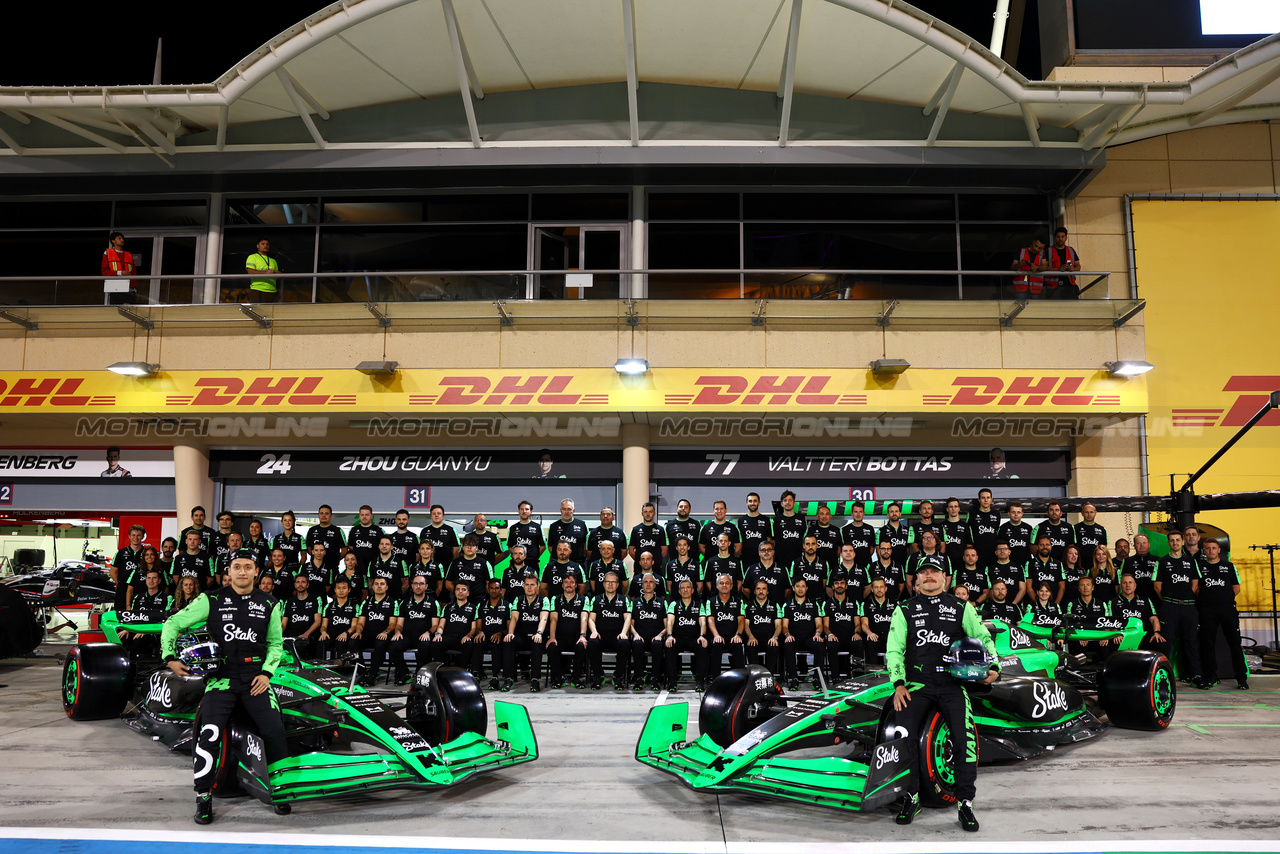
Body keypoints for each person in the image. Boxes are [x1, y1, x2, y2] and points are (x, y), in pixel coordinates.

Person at [160, 552, 288, 824]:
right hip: (221, 679)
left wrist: (267, 673)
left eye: (248, 567)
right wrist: (169, 658)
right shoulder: (211, 599)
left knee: (275, 729)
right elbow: (172, 623)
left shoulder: (270, 604)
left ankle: (281, 790)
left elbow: (276, 644)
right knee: (209, 733)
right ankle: (203, 797)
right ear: (228, 571)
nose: (242, 572)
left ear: (257, 572)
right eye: (237, 567)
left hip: (256, 679)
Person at [888, 559, 997, 831]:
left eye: (934, 572)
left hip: (952, 683)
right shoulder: (904, 609)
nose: (929, 577)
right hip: (916, 683)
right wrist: (898, 683)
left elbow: (982, 637)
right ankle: (910, 797)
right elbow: (893, 648)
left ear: (944, 578)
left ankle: (965, 803)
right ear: (916, 580)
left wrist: (993, 665)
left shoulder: (961, 607)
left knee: (964, 739)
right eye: (924, 572)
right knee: (903, 737)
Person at [1195, 539, 1248, 690]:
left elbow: (1236, 588)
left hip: (1227, 610)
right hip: (1206, 610)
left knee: (1234, 644)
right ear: (1204, 550)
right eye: (1208, 548)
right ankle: (1211, 676)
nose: (1211, 551)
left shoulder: (1229, 566)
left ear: (1219, 550)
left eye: (1213, 548)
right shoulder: (1199, 567)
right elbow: (1196, 588)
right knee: (1207, 644)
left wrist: (1223, 600)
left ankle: (1241, 678)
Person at [587, 570, 633, 689]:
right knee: (592, 643)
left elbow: (628, 618)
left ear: (618, 585)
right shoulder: (596, 599)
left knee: (625, 643)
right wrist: (594, 632)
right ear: (603, 583)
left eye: (613, 582)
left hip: (617, 636)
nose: (610, 584)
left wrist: (623, 633)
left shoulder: (624, 600)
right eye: (608, 582)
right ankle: (598, 675)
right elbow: (591, 619)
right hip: (601, 636)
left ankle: (618, 676)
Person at [504, 572, 549, 691]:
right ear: (523, 586)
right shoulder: (518, 600)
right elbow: (514, 617)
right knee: (508, 641)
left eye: (532, 585)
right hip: (522, 636)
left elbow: (544, 618)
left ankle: (535, 680)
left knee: (537, 642)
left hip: (536, 635)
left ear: (538, 587)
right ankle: (508, 679)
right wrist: (510, 633)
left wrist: (539, 633)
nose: (529, 587)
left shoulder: (544, 600)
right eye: (527, 584)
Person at [780, 577, 826, 690]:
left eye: (803, 586)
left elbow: (819, 624)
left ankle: (817, 679)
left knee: (820, 644)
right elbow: (784, 626)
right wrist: (787, 635)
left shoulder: (814, 605)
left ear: (806, 588)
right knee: (787, 644)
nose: (800, 589)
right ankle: (793, 679)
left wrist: (818, 634)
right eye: (798, 586)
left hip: (810, 638)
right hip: (794, 638)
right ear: (793, 588)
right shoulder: (787, 605)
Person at [546, 574, 590, 689]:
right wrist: (552, 637)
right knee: (551, 647)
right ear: (562, 585)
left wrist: (582, 636)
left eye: (571, 582)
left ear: (576, 585)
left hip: (576, 637)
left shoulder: (583, 599)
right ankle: (559, 677)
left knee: (581, 646)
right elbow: (553, 619)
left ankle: (575, 678)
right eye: (566, 582)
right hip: (560, 637)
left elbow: (584, 618)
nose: (569, 584)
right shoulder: (555, 599)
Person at [664, 579, 707, 691]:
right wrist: (669, 635)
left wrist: (702, 635)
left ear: (693, 590)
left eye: (688, 587)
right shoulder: (674, 604)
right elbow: (670, 621)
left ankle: (699, 681)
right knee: (670, 646)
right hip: (678, 638)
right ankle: (672, 681)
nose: (685, 590)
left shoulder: (699, 605)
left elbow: (703, 622)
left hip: (694, 638)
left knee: (702, 646)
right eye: (682, 588)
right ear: (679, 591)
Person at [392, 575, 436, 683]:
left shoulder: (433, 603)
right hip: (407, 635)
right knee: (393, 646)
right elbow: (399, 624)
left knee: (425, 646)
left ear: (426, 586)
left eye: (421, 584)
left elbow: (435, 625)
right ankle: (404, 673)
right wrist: (397, 632)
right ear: (412, 586)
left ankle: (419, 673)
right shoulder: (404, 603)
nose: (418, 586)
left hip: (423, 635)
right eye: (416, 584)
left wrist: (428, 633)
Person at [358, 576, 401, 687]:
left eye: (382, 584)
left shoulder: (393, 602)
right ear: (372, 587)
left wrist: (385, 632)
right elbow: (360, 623)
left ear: (386, 587)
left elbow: (393, 624)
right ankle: (362, 672)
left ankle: (372, 674)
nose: (379, 586)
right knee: (353, 641)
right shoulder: (366, 602)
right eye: (376, 584)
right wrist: (358, 632)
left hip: (384, 634)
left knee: (380, 642)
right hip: (368, 633)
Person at [702, 572, 746, 679]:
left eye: (727, 583)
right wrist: (716, 635)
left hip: (733, 636)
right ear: (717, 586)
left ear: (731, 586)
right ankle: (715, 678)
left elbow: (741, 620)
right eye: (721, 583)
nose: (724, 585)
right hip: (717, 636)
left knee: (737, 645)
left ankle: (739, 679)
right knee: (717, 645)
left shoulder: (739, 601)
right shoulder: (710, 602)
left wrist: (738, 635)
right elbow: (710, 620)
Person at [628, 573, 668, 690]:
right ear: (642, 585)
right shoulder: (634, 603)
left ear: (655, 585)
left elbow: (667, 625)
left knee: (657, 645)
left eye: (651, 582)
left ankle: (654, 679)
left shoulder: (662, 602)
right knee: (636, 644)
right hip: (640, 637)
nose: (648, 584)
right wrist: (635, 635)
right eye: (646, 582)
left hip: (656, 638)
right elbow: (630, 623)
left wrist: (660, 635)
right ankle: (639, 678)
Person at [1113, 572, 1167, 658]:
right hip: (1123, 637)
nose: (1128, 585)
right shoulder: (1113, 602)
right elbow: (1110, 622)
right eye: (1124, 583)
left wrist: (1156, 633)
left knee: (1161, 643)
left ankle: (1159, 669)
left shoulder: (1145, 600)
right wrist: (1116, 633)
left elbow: (1154, 618)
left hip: (1142, 637)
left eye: (1130, 583)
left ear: (1135, 585)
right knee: (1114, 643)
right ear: (1120, 586)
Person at [432, 580, 479, 676]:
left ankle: (462, 672)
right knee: (436, 643)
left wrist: (468, 635)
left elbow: (474, 628)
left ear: (468, 593)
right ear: (454, 592)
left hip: (463, 638)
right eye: (458, 589)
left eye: (463, 589)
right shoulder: (447, 608)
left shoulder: (474, 608)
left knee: (469, 644)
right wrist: (438, 634)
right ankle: (440, 672)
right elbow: (441, 625)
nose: (460, 592)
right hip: (449, 637)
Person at [824, 572, 864, 678]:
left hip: (850, 637)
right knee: (831, 644)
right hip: (835, 637)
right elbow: (825, 626)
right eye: (836, 583)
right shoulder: (827, 604)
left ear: (846, 586)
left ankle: (857, 676)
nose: (839, 585)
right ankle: (835, 677)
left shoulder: (854, 603)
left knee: (858, 642)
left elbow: (858, 624)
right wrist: (830, 634)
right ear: (832, 587)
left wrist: (857, 633)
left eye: (842, 583)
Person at [473, 578, 511, 689]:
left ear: (500, 590)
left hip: (500, 636)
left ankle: (495, 677)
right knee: (477, 641)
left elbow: (509, 627)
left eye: (497, 588)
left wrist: (500, 633)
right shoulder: (481, 605)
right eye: (491, 588)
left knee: (496, 642)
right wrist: (479, 632)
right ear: (488, 590)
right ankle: (476, 674)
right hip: (485, 635)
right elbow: (478, 627)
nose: (494, 590)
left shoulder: (507, 605)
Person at [319, 576, 362, 662]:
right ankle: (319, 670)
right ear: (335, 590)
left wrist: (346, 633)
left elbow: (354, 626)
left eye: (344, 588)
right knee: (321, 643)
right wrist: (323, 632)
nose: (341, 590)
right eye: (338, 588)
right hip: (331, 635)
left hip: (346, 635)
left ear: (349, 590)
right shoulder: (328, 606)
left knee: (341, 643)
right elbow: (323, 625)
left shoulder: (355, 606)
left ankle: (341, 671)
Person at [742, 579, 781, 673]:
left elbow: (779, 625)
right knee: (751, 646)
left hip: (769, 639)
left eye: (764, 589)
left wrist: (775, 637)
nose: (761, 591)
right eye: (758, 589)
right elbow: (745, 625)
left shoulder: (775, 606)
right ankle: (756, 677)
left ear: (767, 591)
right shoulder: (747, 606)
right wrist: (751, 637)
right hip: (754, 638)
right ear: (754, 591)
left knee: (773, 645)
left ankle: (768, 676)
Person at [281, 573, 322, 661]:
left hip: (308, 635)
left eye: (303, 582)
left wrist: (306, 634)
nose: (300, 584)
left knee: (301, 648)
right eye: (298, 582)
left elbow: (318, 622)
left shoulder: (316, 599)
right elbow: (283, 624)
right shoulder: (289, 601)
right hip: (291, 635)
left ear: (307, 585)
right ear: (295, 585)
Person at [112, 524, 146, 612]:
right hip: (122, 592)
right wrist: (122, 584)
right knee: (120, 615)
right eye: (133, 535)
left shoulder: (147, 553)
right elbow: (112, 573)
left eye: (138, 535)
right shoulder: (120, 553)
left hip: (141, 591)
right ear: (129, 536)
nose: (136, 537)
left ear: (142, 537)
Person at [861, 578, 895, 665]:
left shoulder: (895, 604)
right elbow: (864, 624)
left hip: (891, 636)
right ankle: (872, 675)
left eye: (881, 587)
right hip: (875, 636)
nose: (879, 590)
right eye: (876, 587)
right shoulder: (866, 605)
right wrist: (869, 633)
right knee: (870, 642)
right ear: (872, 589)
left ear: (886, 588)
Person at [446, 534, 489, 599]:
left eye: (472, 545)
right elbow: (448, 583)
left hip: (478, 600)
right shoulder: (454, 563)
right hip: (459, 600)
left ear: (477, 548)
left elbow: (489, 584)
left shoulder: (484, 563)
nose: (469, 547)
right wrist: (459, 593)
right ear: (463, 547)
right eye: (466, 545)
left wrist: (479, 593)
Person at [305, 505, 346, 573]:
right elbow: (308, 548)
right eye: (321, 513)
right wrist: (317, 556)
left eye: (326, 513)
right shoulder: (311, 530)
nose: (324, 515)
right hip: (314, 569)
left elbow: (344, 550)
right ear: (318, 515)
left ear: (331, 516)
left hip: (332, 569)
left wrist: (335, 559)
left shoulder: (338, 531)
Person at [967, 489, 1001, 570]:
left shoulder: (996, 514)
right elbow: (967, 532)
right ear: (979, 500)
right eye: (983, 498)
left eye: (988, 497)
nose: (986, 500)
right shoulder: (972, 514)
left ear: (991, 500)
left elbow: (996, 531)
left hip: (993, 553)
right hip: (977, 553)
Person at [738, 492, 773, 569]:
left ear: (759, 503)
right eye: (750, 501)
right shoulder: (741, 521)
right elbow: (739, 542)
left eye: (755, 501)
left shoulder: (766, 520)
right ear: (746, 503)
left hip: (762, 559)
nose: (752, 503)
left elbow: (770, 540)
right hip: (746, 559)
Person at [547, 499, 588, 564]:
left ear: (573, 510)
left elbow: (585, 545)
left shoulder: (582, 525)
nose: (566, 512)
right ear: (561, 510)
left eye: (569, 509)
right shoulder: (553, 526)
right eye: (564, 509)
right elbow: (550, 546)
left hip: (577, 563)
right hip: (558, 563)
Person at [1045, 226, 1082, 299]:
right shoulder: (1048, 251)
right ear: (1055, 238)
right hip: (1053, 286)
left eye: (1062, 236)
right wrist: (1058, 269)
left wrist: (1073, 269)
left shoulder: (1071, 250)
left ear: (1066, 238)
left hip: (1069, 285)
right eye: (1058, 237)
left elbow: (1078, 266)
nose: (1060, 239)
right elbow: (1044, 267)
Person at [507, 501, 547, 568]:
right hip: (516, 564)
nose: (524, 511)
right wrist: (517, 556)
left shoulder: (537, 527)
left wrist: (535, 556)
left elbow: (543, 546)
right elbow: (510, 547)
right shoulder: (513, 528)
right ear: (518, 511)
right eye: (522, 509)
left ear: (531, 511)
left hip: (532, 564)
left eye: (527, 509)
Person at [772, 490, 806, 568]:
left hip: (798, 560)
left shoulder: (802, 519)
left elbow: (805, 540)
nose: (788, 502)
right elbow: (772, 541)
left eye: (790, 500)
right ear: (781, 504)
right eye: (785, 500)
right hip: (780, 561)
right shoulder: (775, 520)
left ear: (794, 503)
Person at [1025, 536, 1065, 604]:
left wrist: (1055, 605)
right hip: (1035, 605)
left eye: (1047, 544)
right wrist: (1038, 605)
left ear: (1051, 546)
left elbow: (1062, 588)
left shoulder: (1058, 564)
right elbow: (1028, 587)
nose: (1045, 547)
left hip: (1054, 605)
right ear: (1037, 547)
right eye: (1042, 545)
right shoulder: (1030, 563)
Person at [101, 232, 138, 305]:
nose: (122, 240)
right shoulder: (107, 253)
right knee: (117, 311)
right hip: (115, 288)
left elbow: (134, 272)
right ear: (113, 241)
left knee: (129, 311)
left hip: (129, 288)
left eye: (122, 238)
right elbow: (104, 271)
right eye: (119, 238)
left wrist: (134, 287)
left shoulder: (128, 255)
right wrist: (120, 273)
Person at [665, 499, 702, 570]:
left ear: (689, 510)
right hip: (674, 565)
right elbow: (666, 548)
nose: (683, 509)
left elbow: (701, 545)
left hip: (693, 564)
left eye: (686, 507)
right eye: (681, 506)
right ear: (677, 509)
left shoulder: (696, 524)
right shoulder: (669, 525)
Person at [347, 505, 383, 571]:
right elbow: (350, 547)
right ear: (359, 516)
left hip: (374, 566)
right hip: (357, 567)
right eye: (362, 515)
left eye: (367, 515)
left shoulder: (378, 530)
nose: (364, 517)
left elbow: (383, 547)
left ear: (371, 516)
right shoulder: (353, 530)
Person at [996, 502, 1033, 566]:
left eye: (1018, 512)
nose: (1016, 514)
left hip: (1025, 564)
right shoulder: (1003, 528)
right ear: (1009, 513)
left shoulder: (1028, 528)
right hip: (1008, 564)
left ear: (1022, 514)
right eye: (1013, 512)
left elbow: (1033, 547)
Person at [842, 501, 878, 566]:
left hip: (867, 565)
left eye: (860, 512)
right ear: (852, 513)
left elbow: (872, 547)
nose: (858, 514)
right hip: (850, 565)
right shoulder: (845, 530)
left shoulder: (870, 528)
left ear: (864, 513)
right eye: (856, 512)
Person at [1010, 235, 1046, 301]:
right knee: (1020, 306)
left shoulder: (1043, 253)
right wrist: (1020, 264)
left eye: (1039, 248)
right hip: (1021, 286)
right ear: (1033, 242)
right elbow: (1013, 267)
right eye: (1036, 245)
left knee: (1034, 309)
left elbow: (1044, 267)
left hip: (1035, 287)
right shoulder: (1021, 251)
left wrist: (1037, 267)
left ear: (1043, 248)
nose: (1036, 249)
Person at [244, 238, 278, 303]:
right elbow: (250, 272)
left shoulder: (273, 260)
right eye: (263, 244)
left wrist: (277, 273)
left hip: (273, 290)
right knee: (259, 312)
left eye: (267, 244)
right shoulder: (253, 257)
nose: (265, 246)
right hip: (258, 289)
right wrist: (265, 272)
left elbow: (276, 276)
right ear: (258, 246)